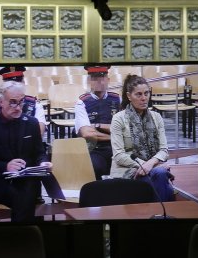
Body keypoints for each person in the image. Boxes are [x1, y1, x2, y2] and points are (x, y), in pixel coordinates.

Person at [0, 81, 52, 222]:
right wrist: (5, 166)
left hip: (27, 181)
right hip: (0, 183)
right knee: (25, 196)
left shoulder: (31, 123)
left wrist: (43, 162)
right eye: (13, 102)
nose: (18, 108)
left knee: (27, 190)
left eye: (21, 102)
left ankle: (22, 237)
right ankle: (30, 235)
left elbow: (39, 152)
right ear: (0, 101)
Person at [110, 74, 175, 202]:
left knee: (160, 175)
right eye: (138, 94)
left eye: (146, 93)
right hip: (127, 171)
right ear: (129, 96)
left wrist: (150, 164)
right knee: (161, 177)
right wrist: (145, 165)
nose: (144, 98)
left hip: (153, 170)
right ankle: (161, 216)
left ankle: (158, 215)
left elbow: (164, 150)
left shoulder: (157, 117)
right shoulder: (119, 118)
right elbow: (119, 155)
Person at [74, 65, 120, 180]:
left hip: (117, 148)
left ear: (108, 80)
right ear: (89, 81)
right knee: (96, 166)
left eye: (102, 77)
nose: (99, 81)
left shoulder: (118, 99)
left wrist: (96, 126)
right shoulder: (82, 102)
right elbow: (87, 134)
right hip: (94, 149)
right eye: (95, 78)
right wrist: (115, 135)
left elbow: (126, 129)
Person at [0, 66, 46, 137]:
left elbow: (39, 133)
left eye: (18, 83)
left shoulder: (34, 105)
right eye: (11, 84)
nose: (15, 87)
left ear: (24, 83)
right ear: (4, 87)